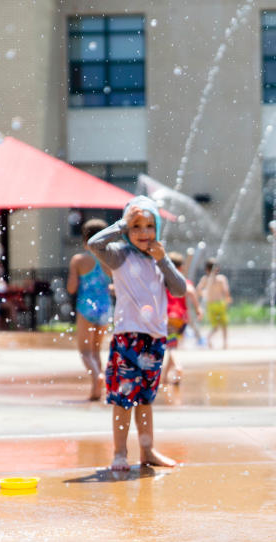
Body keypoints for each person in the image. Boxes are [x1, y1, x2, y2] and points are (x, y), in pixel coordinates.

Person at [88, 196, 187, 471]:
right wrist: (121, 224)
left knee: (145, 399)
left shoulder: (159, 257)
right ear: (127, 229)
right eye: (136, 226)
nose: (143, 233)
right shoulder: (120, 254)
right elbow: (94, 244)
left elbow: (179, 290)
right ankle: (120, 453)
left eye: (149, 226)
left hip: (155, 339)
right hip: (128, 337)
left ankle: (148, 450)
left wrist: (163, 259)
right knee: (123, 400)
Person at [67, 218, 114, 401]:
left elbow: (71, 288)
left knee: (85, 351)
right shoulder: (109, 261)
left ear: (85, 239)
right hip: (105, 306)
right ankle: (98, 391)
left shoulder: (79, 260)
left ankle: (97, 377)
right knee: (96, 350)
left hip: (86, 306)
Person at [162, 251, 202, 385]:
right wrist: (198, 309)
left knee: (171, 347)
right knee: (172, 345)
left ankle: (178, 367)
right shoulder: (182, 281)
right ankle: (166, 376)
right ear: (180, 267)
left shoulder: (164, 280)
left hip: (169, 317)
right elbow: (191, 291)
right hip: (181, 319)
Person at [196, 258, 232, 349]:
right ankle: (225, 343)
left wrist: (204, 295)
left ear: (206, 269)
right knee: (224, 324)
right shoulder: (221, 278)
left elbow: (198, 289)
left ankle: (208, 339)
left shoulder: (205, 279)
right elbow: (226, 291)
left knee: (215, 326)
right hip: (220, 304)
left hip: (210, 304)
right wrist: (228, 299)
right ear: (217, 269)